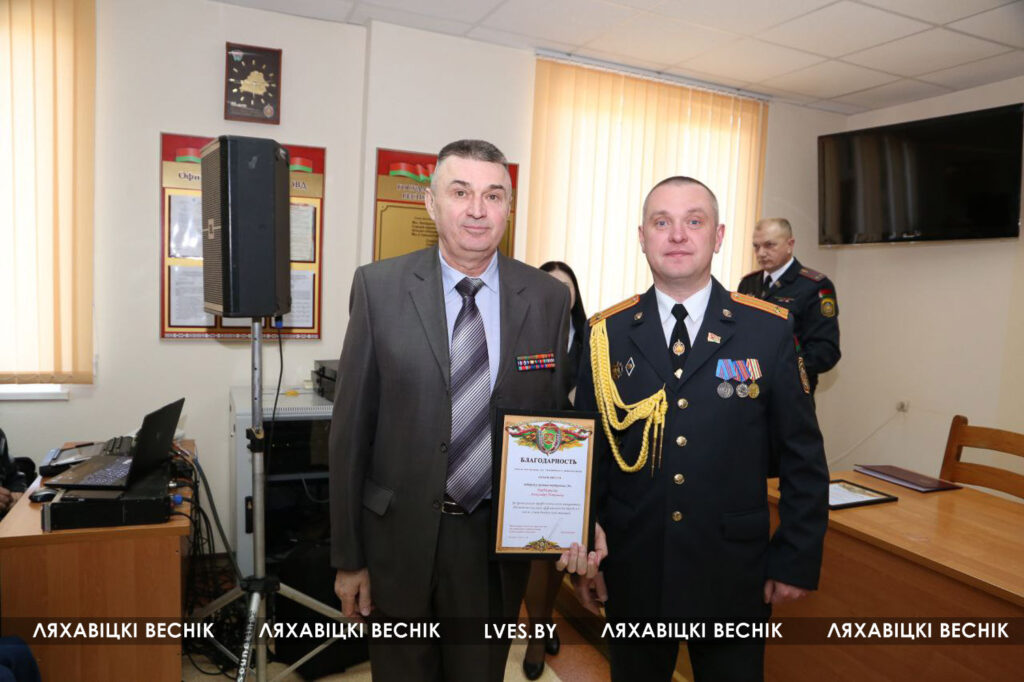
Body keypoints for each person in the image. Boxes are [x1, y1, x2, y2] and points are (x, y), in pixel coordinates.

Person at [562, 177, 829, 682]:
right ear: (642, 237)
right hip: (633, 569)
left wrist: (795, 557)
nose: (678, 235)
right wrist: (586, 551)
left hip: (734, 572)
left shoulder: (767, 328)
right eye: (662, 222)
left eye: (694, 221)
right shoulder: (607, 334)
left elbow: (803, 456)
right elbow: (590, 458)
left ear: (719, 235)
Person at [329, 139, 571, 682]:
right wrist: (348, 557)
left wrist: (562, 522)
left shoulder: (546, 298)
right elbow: (349, 434)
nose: (477, 209)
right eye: (460, 192)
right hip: (397, 540)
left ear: (509, 207)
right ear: (431, 203)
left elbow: (554, 424)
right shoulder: (378, 288)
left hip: (492, 547)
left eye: (493, 195)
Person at [520, 261, 587, 680]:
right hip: (531, 457)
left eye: (566, 286)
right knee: (534, 553)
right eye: (550, 285)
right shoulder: (524, 331)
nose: (559, 293)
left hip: (574, 461)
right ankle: (536, 632)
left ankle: (542, 625)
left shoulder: (593, 336)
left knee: (554, 554)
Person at [737, 218, 840, 395]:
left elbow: (825, 351)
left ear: (790, 244)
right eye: (756, 246)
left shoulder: (814, 286)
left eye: (769, 245)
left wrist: (779, 368)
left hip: (790, 391)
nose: (761, 253)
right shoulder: (748, 284)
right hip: (749, 389)